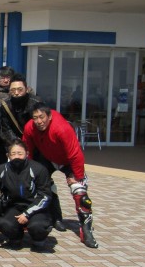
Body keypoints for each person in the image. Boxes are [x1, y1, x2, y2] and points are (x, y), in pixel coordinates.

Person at [23, 103, 99, 248]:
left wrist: (77, 176)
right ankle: (51, 218)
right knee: (37, 186)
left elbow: (76, 155)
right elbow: (28, 151)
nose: (39, 121)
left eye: (42, 117)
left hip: (67, 160)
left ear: (49, 116)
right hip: (46, 158)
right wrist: (30, 172)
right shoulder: (29, 127)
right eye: (35, 118)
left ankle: (86, 230)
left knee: (80, 193)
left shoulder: (62, 128)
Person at [0, 140, 53, 251]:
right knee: (4, 223)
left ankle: (38, 240)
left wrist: (27, 214)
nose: (17, 156)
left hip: (36, 207)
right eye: (13, 154)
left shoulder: (38, 169)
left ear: (27, 153)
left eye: (20, 153)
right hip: (14, 206)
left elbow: (45, 196)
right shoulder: (1, 169)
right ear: (8, 155)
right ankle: (16, 238)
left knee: (37, 226)